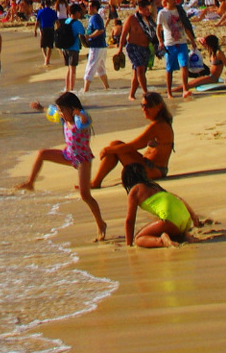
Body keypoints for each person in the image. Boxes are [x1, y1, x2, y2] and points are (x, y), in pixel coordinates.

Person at [17, 92, 106, 239]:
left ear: (72, 109)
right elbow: (50, 111)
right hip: (68, 155)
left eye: (62, 110)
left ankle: (100, 224)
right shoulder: (64, 120)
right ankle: (30, 182)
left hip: (82, 159)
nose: (60, 113)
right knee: (41, 154)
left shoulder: (81, 121)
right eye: (60, 110)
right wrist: (41, 108)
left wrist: (80, 113)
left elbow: (86, 120)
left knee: (85, 195)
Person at [90, 91, 174, 190]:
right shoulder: (160, 123)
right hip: (152, 167)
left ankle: (95, 182)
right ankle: (95, 182)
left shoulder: (158, 125)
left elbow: (136, 145)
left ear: (159, 106)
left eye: (148, 106)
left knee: (114, 146)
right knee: (115, 145)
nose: (144, 109)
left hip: (154, 170)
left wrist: (108, 150)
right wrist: (112, 149)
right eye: (142, 105)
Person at [123, 176, 198, 248]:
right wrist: (193, 217)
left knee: (138, 238)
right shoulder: (155, 186)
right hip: (186, 218)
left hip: (170, 219)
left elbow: (129, 221)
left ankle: (161, 241)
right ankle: (185, 236)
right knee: (167, 229)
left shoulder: (135, 190)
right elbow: (179, 198)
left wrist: (129, 244)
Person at [156, 0, 196, 97]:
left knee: (184, 65)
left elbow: (186, 26)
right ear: (166, 1)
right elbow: (158, 28)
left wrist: (192, 40)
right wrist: (160, 41)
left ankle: (185, 89)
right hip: (169, 44)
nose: (175, 1)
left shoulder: (180, 11)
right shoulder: (162, 13)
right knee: (169, 69)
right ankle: (169, 92)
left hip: (182, 42)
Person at [119, 6, 154, 99]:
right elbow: (123, 34)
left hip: (145, 48)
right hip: (132, 47)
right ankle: (146, 93)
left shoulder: (150, 20)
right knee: (140, 69)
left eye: (148, 9)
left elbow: (155, 34)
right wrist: (119, 50)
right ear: (139, 9)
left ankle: (131, 95)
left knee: (138, 72)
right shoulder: (131, 19)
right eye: (145, 9)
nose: (147, 11)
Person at [81, 2, 111, 91]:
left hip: (97, 46)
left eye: (90, 6)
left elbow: (100, 30)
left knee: (90, 67)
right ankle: (107, 87)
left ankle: (85, 90)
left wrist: (89, 37)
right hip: (99, 46)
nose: (88, 8)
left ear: (94, 8)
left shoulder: (95, 18)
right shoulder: (92, 18)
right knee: (100, 68)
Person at [55, 3, 85, 93]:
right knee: (73, 69)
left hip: (65, 48)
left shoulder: (67, 21)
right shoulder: (77, 23)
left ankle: (67, 87)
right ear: (76, 13)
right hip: (73, 47)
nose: (80, 14)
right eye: (79, 12)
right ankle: (71, 89)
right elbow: (83, 35)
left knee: (68, 69)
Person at [35, 0, 59, 67]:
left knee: (43, 45)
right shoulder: (53, 12)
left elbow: (37, 22)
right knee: (50, 45)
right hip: (51, 28)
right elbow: (57, 22)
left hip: (43, 29)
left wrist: (35, 30)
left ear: (44, 4)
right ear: (50, 4)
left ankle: (45, 57)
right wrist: (58, 30)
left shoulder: (40, 11)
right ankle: (47, 59)